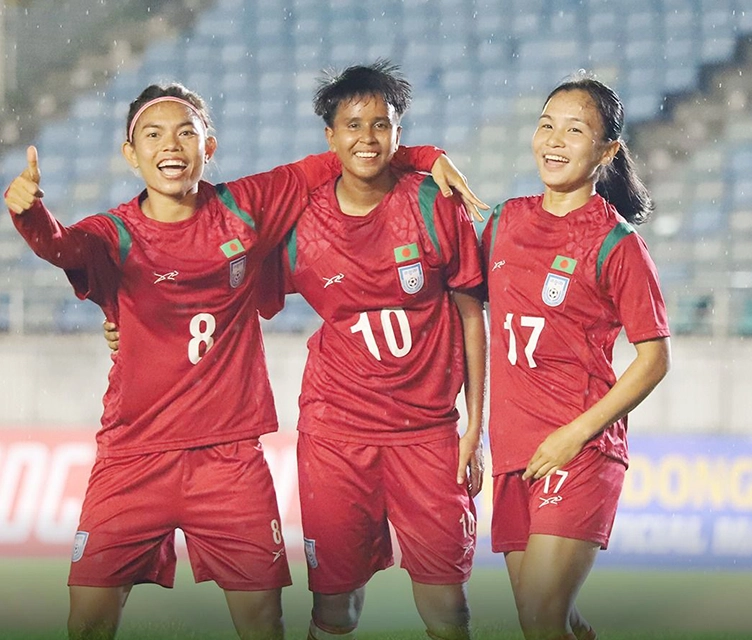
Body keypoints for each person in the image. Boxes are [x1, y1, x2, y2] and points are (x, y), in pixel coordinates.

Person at [4, 81, 484, 640]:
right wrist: (31, 216)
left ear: (209, 146)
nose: (171, 145)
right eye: (153, 135)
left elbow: (355, 152)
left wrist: (426, 155)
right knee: (88, 621)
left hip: (230, 459)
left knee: (263, 623)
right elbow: (63, 246)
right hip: (134, 455)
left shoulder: (248, 206)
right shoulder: (114, 233)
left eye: (186, 132)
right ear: (130, 154)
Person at [271, 61, 486, 640]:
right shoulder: (301, 222)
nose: (367, 138)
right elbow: (228, 291)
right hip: (336, 432)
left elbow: (471, 313)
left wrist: (475, 425)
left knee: (447, 606)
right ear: (330, 137)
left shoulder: (434, 203)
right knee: (335, 609)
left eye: (381, 124)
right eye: (353, 125)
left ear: (398, 133)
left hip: (428, 433)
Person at [481, 73, 671, 640]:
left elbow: (654, 358)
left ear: (607, 151)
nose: (555, 141)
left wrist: (574, 434)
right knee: (545, 622)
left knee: (542, 615)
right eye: (547, 126)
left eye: (574, 130)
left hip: (579, 449)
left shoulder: (617, 243)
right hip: (513, 451)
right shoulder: (504, 221)